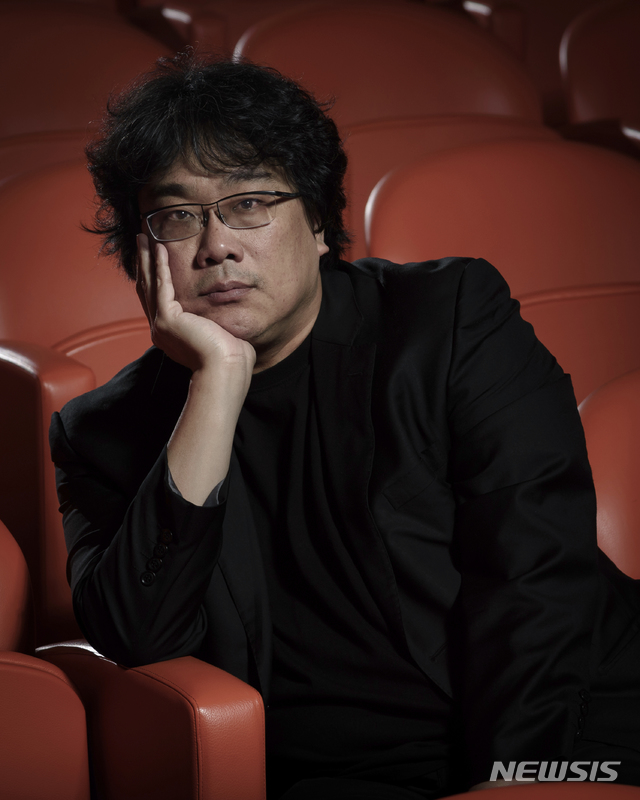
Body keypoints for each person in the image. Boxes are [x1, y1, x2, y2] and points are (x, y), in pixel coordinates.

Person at [50, 53, 640, 799]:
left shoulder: (450, 321)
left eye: (250, 202)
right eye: (176, 216)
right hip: (344, 776)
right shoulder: (102, 431)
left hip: (567, 729)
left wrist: (516, 783)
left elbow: (536, 578)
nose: (216, 245)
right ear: (140, 253)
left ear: (321, 222)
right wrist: (217, 382)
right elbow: (140, 638)